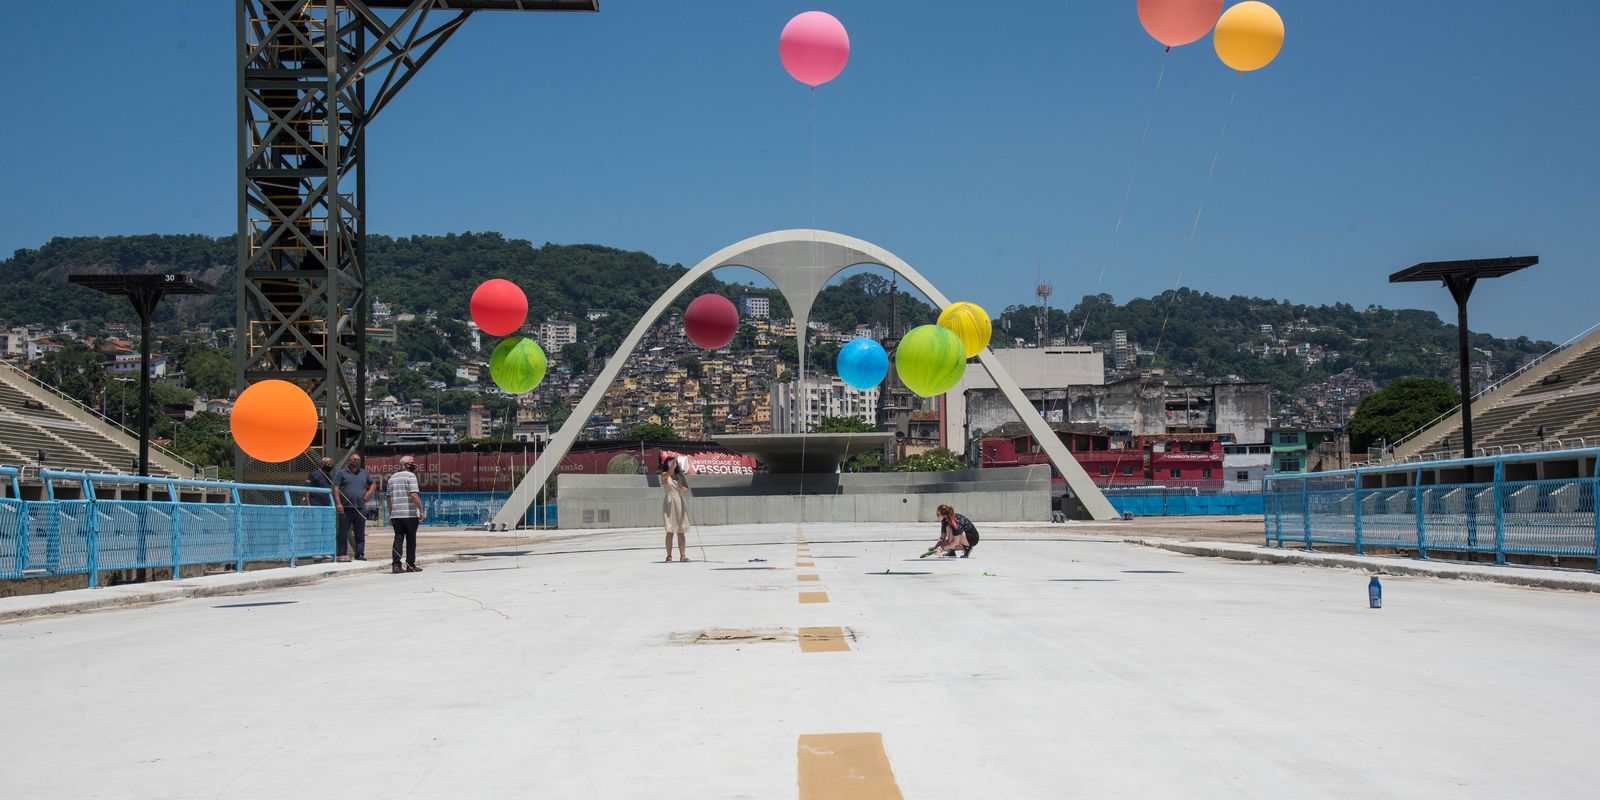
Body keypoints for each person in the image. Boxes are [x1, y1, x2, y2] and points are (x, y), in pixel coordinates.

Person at [333, 454, 376, 562]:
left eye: (358, 459)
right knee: (342, 531)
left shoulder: (364, 473)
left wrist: (368, 493)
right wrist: (338, 503)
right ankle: (342, 553)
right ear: (349, 461)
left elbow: (373, 484)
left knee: (360, 532)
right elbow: (335, 488)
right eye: (354, 459)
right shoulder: (342, 473)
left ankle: (360, 554)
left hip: (360, 507)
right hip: (345, 508)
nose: (357, 461)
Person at [387, 455, 425, 573]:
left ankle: (396, 565)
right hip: (409, 514)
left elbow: (389, 499)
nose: (414, 464)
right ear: (404, 465)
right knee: (411, 540)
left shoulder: (392, 478)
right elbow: (413, 495)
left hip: (396, 515)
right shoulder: (410, 476)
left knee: (398, 539)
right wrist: (421, 510)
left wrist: (391, 513)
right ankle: (410, 565)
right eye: (411, 462)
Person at [660, 456, 692, 563]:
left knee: (680, 530)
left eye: (674, 462)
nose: (673, 463)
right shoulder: (665, 475)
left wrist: (684, 488)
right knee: (670, 531)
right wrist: (674, 462)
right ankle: (669, 556)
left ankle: (683, 555)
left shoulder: (680, 476)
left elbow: (686, 487)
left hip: (679, 502)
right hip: (669, 503)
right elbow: (670, 472)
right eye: (671, 461)